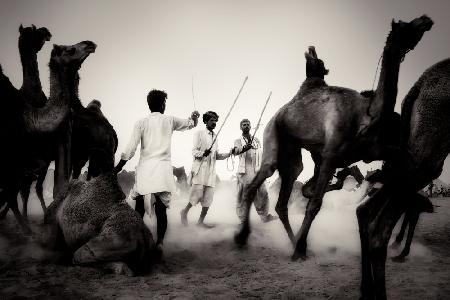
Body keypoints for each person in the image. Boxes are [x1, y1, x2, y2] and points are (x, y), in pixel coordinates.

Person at [114, 89, 199, 248]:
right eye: (165, 102)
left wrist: (118, 167)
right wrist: (194, 118)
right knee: (161, 209)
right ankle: (159, 243)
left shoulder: (141, 122)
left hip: (145, 170)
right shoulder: (170, 120)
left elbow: (131, 148)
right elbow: (190, 124)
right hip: (163, 171)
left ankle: (136, 242)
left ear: (149, 104)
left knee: (139, 207)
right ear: (162, 104)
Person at [180, 111, 232, 229]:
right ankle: (184, 212)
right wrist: (203, 153)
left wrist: (229, 153)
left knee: (208, 198)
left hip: (211, 171)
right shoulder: (199, 134)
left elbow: (216, 156)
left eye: (215, 121)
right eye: (212, 120)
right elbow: (194, 152)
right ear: (206, 121)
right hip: (200, 170)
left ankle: (200, 222)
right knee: (196, 195)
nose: (214, 123)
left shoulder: (215, 137)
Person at [233, 119, 277, 223]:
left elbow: (261, 154)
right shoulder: (238, 141)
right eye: (244, 124)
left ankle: (264, 216)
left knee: (263, 193)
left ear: (250, 126)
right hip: (245, 172)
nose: (246, 126)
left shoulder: (256, 140)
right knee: (243, 195)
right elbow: (235, 151)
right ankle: (243, 220)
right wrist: (244, 148)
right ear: (241, 127)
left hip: (257, 171)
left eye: (248, 124)